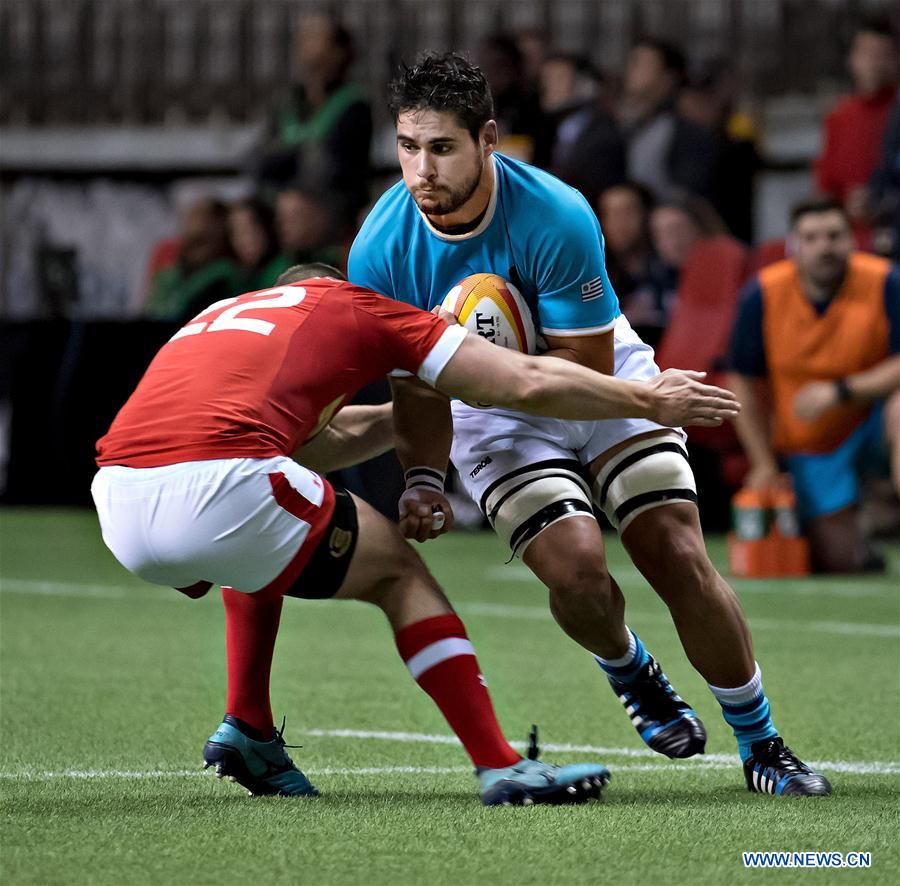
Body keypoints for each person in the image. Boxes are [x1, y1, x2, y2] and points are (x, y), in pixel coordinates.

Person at [342, 52, 831, 797]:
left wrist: (645, 402)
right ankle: (629, 666)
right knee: (574, 569)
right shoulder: (380, 251)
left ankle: (762, 743)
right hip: (488, 407)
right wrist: (422, 478)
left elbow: (582, 370)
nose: (422, 171)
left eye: (441, 147)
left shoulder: (557, 213)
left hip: (600, 380)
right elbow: (415, 389)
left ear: (488, 140)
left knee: (672, 548)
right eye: (408, 147)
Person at [92, 263, 737, 806]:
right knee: (401, 576)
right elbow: (526, 380)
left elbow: (327, 438)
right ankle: (500, 764)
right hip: (224, 478)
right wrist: (647, 400)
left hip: (119, 498)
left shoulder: (221, 315)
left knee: (257, 544)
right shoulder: (356, 305)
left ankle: (249, 726)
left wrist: (432, 411)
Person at [727, 199, 900, 573]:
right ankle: (866, 531)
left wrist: (840, 391)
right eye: (812, 238)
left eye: (835, 236)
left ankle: (881, 503)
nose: (825, 247)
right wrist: (763, 463)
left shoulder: (886, 281)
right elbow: (741, 380)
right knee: (840, 560)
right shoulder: (763, 293)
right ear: (794, 246)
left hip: (872, 421)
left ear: (852, 240)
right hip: (810, 439)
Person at [252, 13, 372, 226]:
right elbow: (258, 160)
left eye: (315, 37)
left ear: (339, 51)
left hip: (328, 211)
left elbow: (331, 170)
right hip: (280, 206)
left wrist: (285, 159)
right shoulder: (289, 104)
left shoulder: (354, 106)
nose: (304, 44)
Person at [815, 18, 898, 249]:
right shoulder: (839, 117)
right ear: (852, 59)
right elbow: (825, 187)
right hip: (849, 242)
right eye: (867, 53)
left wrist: (883, 203)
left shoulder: (895, 112)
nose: (874, 63)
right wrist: (845, 205)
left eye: (882, 54)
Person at [616, 39, 724, 206]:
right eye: (631, 63)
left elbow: (689, 198)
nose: (631, 71)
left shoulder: (687, 134)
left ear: (668, 78)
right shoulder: (621, 125)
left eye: (640, 64)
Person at [596, 181, 673, 349]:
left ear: (647, 215)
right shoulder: (595, 275)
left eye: (628, 212)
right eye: (610, 214)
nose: (619, 223)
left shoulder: (670, 268)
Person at [144, 198, 241, 324]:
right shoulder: (172, 267)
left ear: (216, 224)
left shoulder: (223, 272)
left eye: (199, 214)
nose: (188, 218)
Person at [228, 197, 293, 292]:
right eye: (236, 232)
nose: (244, 240)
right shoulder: (236, 275)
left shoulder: (284, 271)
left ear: (267, 227)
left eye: (250, 230)